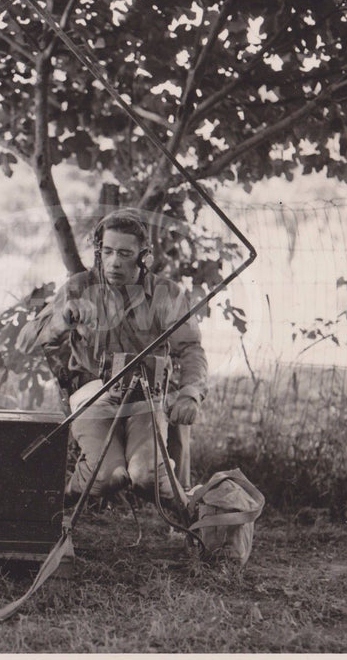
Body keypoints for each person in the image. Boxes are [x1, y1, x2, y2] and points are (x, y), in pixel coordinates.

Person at [19, 209, 207, 502]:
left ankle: (187, 509)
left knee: (146, 476)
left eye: (124, 253)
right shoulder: (79, 287)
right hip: (93, 394)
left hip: (146, 396)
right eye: (107, 252)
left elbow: (192, 349)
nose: (114, 262)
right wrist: (62, 320)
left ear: (143, 257)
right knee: (108, 476)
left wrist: (190, 393)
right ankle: (59, 505)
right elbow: (26, 341)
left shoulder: (166, 294)